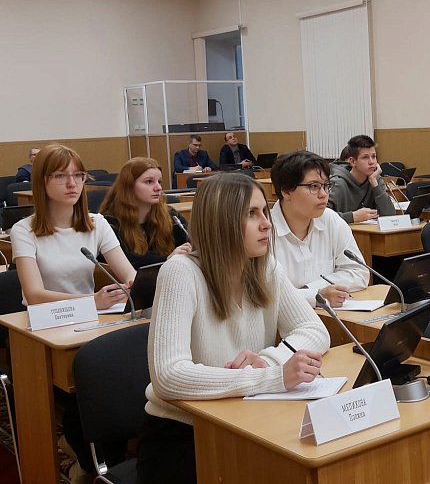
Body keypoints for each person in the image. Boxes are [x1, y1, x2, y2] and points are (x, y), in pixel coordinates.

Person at [137, 173, 330, 483]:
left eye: (264, 212)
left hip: (247, 417)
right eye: (251, 214)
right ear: (221, 222)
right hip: (185, 434)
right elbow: (168, 377)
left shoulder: (265, 267)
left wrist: (268, 360)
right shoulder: (181, 272)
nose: (266, 224)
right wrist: (271, 377)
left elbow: (315, 331)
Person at [10, 143, 137, 482]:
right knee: (91, 387)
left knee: (119, 380)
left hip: (93, 321)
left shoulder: (97, 223)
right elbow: (34, 295)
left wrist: (137, 285)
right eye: (60, 176)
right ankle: (87, 455)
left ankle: (101, 461)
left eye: (78, 175)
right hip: (45, 326)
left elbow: (129, 275)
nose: (72, 183)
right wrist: (90, 302)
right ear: (42, 181)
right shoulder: (24, 229)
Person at [270, 150, 369, 307]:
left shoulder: (331, 220)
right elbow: (264, 294)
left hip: (331, 316)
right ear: (286, 191)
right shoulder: (264, 231)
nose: (323, 194)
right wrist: (315, 295)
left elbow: (359, 272)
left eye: (326, 186)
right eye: (313, 186)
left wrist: (313, 289)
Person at [99, 157, 191, 269]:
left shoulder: (171, 215)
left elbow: (190, 242)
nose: (158, 188)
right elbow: (125, 260)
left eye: (159, 182)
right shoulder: (109, 222)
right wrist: (167, 259)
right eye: (149, 182)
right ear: (129, 186)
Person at [327, 135, 395, 223]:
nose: (371, 162)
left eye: (374, 156)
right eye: (365, 157)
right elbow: (322, 216)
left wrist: (375, 185)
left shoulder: (375, 180)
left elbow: (390, 215)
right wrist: (352, 217)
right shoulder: (338, 183)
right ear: (352, 161)